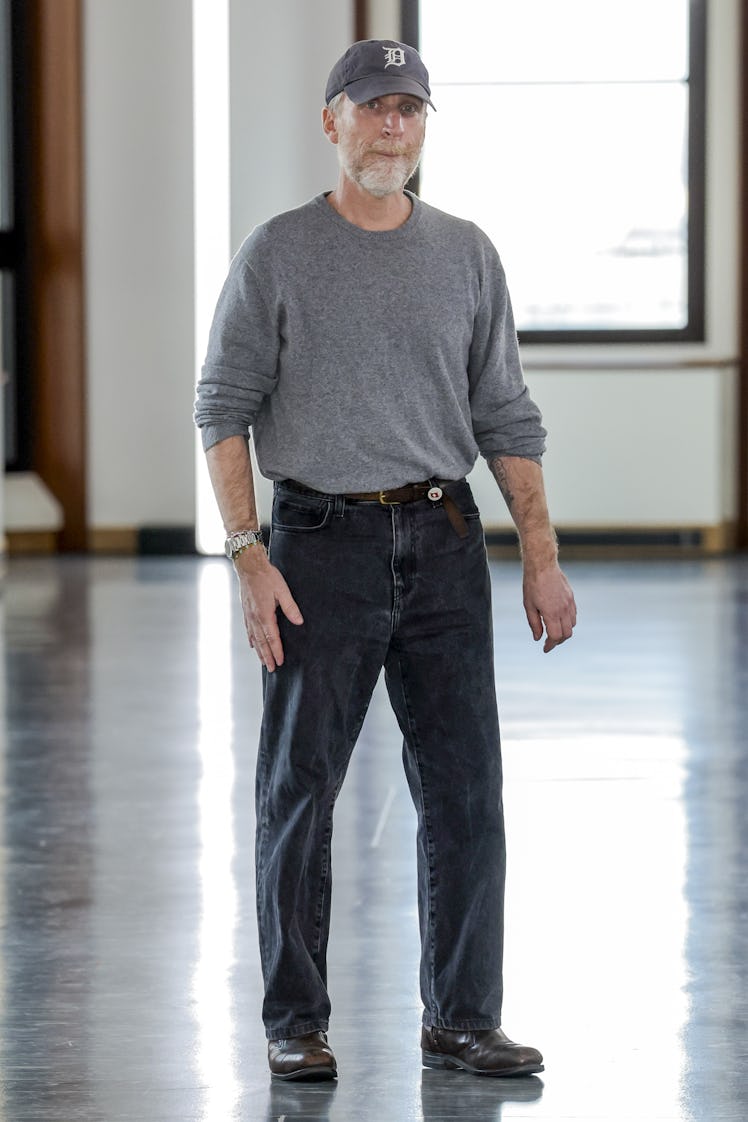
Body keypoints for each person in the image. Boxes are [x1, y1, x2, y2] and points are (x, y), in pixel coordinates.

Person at [194, 38, 576, 1082]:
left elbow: (505, 413)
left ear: (425, 125)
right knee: (299, 791)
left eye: (409, 108)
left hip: (447, 543)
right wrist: (247, 557)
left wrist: (540, 556)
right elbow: (220, 410)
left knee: (464, 791)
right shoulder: (278, 253)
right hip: (319, 546)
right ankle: (295, 1021)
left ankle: (461, 1017)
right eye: (372, 107)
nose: (391, 125)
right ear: (333, 122)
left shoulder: (465, 253)